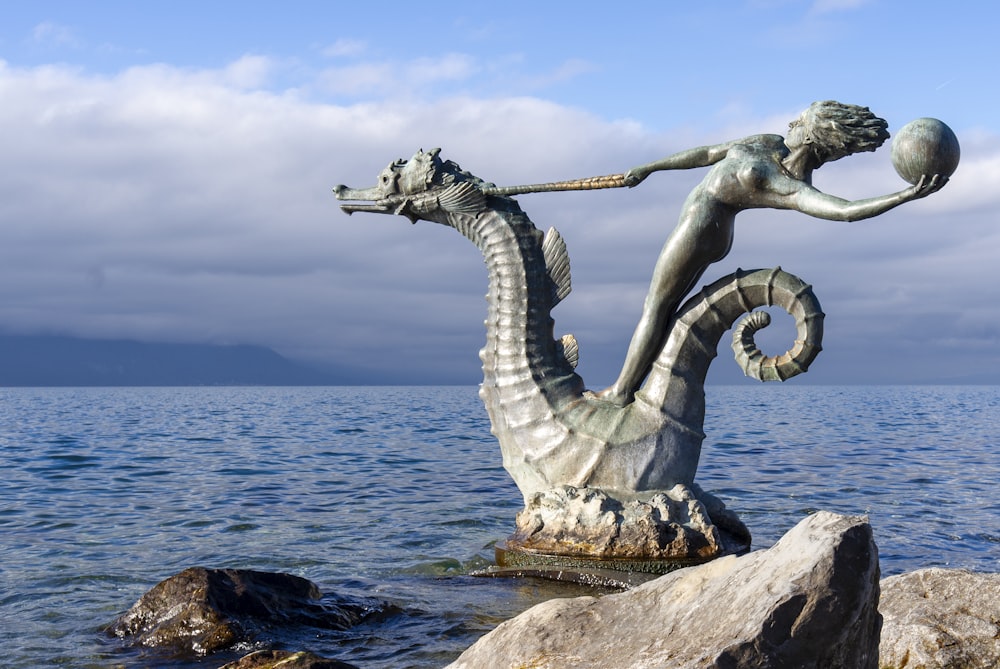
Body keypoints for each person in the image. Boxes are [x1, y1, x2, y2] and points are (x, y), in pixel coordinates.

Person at [599, 100, 947, 406]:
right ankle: (632, 389)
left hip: (701, 230)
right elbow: (707, 153)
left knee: (655, 307)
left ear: (815, 137)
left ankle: (621, 392)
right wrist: (650, 168)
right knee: (666, 310)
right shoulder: (769, 142)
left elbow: (844, 209)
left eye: (800, 122)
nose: (792, 124)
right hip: (704, 229)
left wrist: (903, 196)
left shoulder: (790, 185)